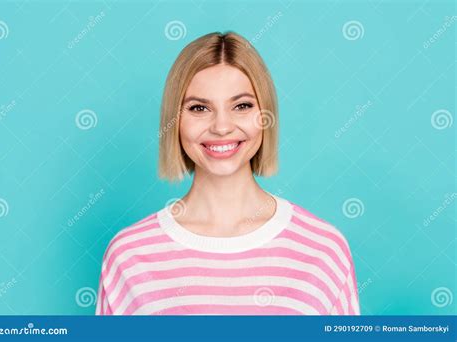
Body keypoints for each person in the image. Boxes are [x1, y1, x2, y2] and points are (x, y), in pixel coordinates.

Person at [95, 31, 360, 315]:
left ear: (264, 116)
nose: (222, 126)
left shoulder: (323, 250)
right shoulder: (130, 256)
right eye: (199, 108)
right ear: (175, 121)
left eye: (241, 106)